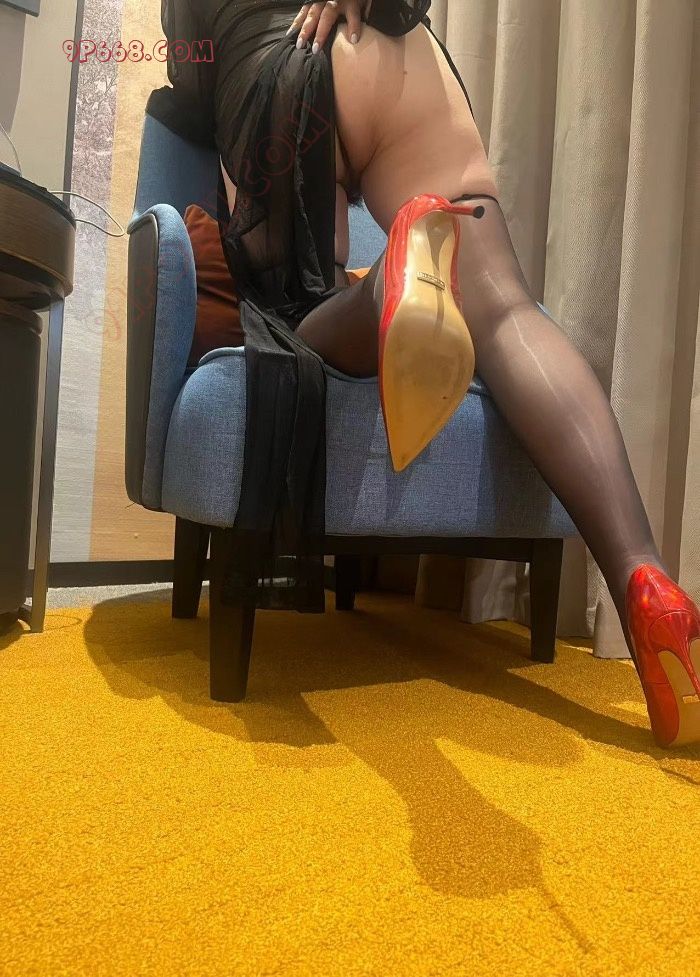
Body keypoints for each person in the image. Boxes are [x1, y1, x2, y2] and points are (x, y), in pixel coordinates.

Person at [146, 0, 700, 749]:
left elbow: (193, 73)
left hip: (275, 64)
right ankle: (644, 574)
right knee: (505, 311)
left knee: (296, 323)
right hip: (391, 42)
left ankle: (383, 288)